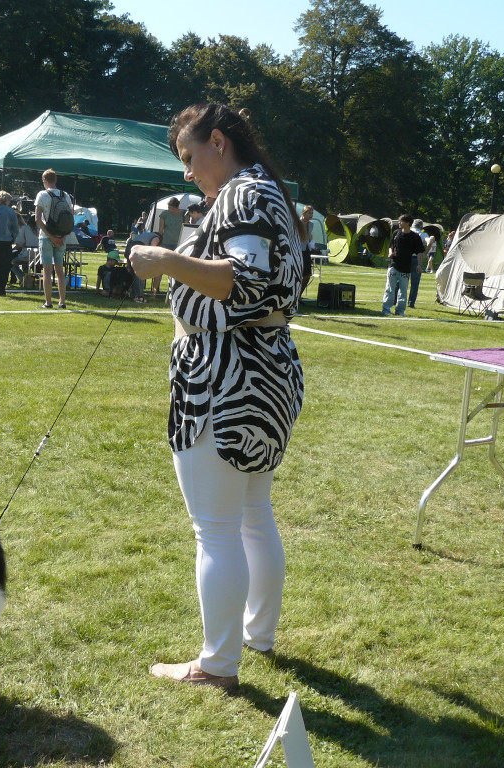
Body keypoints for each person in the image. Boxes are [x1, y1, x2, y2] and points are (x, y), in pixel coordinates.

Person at [130, 103, 305, 690]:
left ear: (220, 142)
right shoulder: (264, 192)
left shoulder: (244, 193)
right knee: (253, 515)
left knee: (217, 529)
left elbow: (239, 280)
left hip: (225, 383)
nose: (185, 172)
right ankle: (255, 637)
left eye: (188, 156)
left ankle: (217, 664)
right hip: (262, 374)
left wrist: (166, 261)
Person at [34, 169, 71, 309]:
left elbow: (37, 219)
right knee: (60, 271)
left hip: (46, 237)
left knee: (47, 271)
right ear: (56, 180)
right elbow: (70, 220)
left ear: (44, 180)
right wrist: (62, 237)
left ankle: (48, 302)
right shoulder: (65, 195)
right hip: (62, 237)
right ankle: (62, 302)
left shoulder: (42, 194)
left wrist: (51, 237)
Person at [383, 214, 425, 316]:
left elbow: (419, 252)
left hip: (406, 268)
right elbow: (391, 245)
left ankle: (400, 310)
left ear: (408, 223)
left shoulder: (415, 237)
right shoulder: (396, 233)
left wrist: (419, 265)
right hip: (393, 265)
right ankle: (386, 310)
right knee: (389, 289)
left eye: (401, 221)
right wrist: (390, 252)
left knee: (403, 291)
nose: (399, 223)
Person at [153, 197, 184, 297]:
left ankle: (176, 292)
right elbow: (161, 230)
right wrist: (158, 241)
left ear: (177, 207)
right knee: (160, 268)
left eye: (172, 208)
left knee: (177, 269)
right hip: (165, 243)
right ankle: (154, 291)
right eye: (169, 208)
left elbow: (186, 228)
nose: (170, 210)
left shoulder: (184, 214)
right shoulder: (165, 214)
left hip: (179, 244)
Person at [123, 228, 161, 302]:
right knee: (140, 274)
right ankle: (139, 296)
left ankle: (133, 294)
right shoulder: (156, 237)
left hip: (129, 247)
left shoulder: (147, 234)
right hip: (137, 250)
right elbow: (152, 248)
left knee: (133, 274)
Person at [407, 218, 431, 308]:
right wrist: (425, 253)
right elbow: (430, 241)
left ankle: (396, 300)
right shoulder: (423, 234)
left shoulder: (408, 231)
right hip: (417, 258)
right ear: (421, 226)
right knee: (415, 283)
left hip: (406, 258)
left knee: (401, 281)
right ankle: (411, 303)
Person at [95, 229, 125, 297]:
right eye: (115, 261)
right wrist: (96, 249)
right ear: (111, 260)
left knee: (118, 250)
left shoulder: (115, 269)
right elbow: (100, 244)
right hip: (109, 249)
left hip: (114, 250)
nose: (116, 263)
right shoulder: (105, 238)